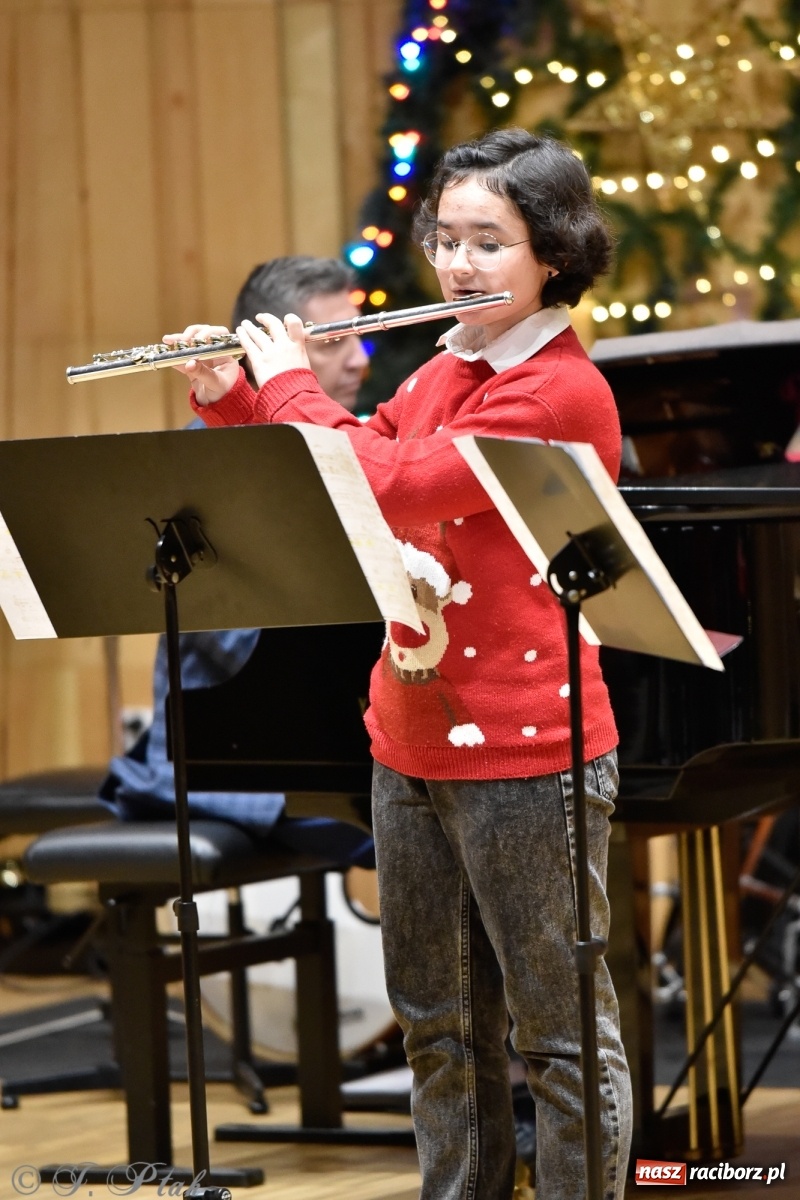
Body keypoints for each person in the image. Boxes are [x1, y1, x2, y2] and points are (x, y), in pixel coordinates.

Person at [167, 129, 632, 1200]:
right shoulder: (441, 371)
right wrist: (233, 393)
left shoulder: (554, 393)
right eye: (445, 239)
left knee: (557, 1037)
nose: (458, 264)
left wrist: (289, 380)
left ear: (553, 253)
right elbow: (342, 471)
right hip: (410, 734)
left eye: (488, 243)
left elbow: (390, 485)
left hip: (527, 749)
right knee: (437, 1028)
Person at [101, 255, 373, 866]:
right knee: (423, 833)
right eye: (334, 341)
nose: (360, 359)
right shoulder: (208, 464)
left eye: (357, 337)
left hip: (317, 735)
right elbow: (236, 630)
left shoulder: (351, 442)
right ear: (265, 351)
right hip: (228, 755)